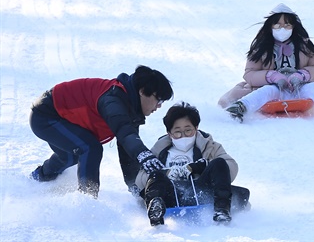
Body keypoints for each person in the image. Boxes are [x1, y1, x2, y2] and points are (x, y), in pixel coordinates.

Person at [29, 65, 173, 198]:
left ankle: (37, 178)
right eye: (158, 100)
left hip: (59, 118)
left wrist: (136, 189)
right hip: (45, 116)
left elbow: (127, 151)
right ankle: (87, 199)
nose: (159, 107)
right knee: (89, 147)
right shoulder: (113, 100)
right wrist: (143, 153)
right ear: (142, 91)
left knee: (70, 156)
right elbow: (124, 131)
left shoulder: (131, 108)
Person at [218, 3, 314, 128]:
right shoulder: (261, 48)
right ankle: (239, 108)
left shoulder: (304, 45)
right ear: (270, 26)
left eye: (287, 25)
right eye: (277, 25)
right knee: (265, 92)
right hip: (274, 87)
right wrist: (270, 76)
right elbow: (249, 74)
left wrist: (302, 75)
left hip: (300, 87)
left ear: (293, 27)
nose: (282, 29)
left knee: (313, 88)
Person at [134, 102, 247, 226]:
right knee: (155, 175)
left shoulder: (209, 146)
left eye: (188, 131)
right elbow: (140, 179)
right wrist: (165, 173)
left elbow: (231, 167)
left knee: (219, 162)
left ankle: (222, 209)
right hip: (171, 193)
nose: (183, 136)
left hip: (202, 191)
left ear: (196, 128)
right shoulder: (159, 150)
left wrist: (201, 166)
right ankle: (156, 211)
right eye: (177, 132)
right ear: (169, 133)